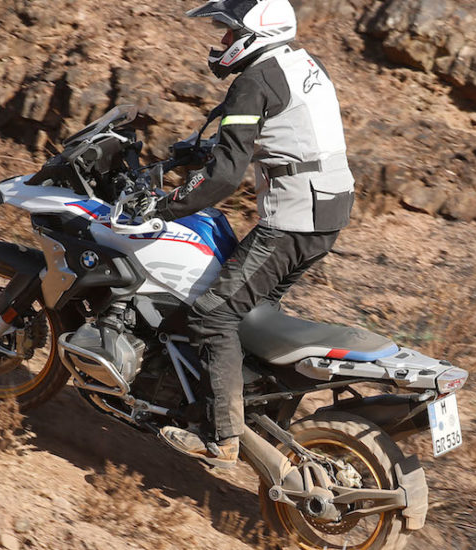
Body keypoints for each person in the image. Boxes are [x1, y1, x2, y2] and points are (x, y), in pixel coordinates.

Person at [141, 0, 355, 467]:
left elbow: (222, 180)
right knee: (252, 313)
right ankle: (256, 407)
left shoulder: (252, 81)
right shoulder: (296, 61)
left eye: (227, 32)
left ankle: (221, 436)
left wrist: (165, 205)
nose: (220, 42)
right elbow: (283, 128)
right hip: (329, 210)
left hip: (294, 219)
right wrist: (204, 151)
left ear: (253, 35)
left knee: (213, 315)